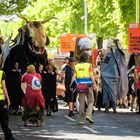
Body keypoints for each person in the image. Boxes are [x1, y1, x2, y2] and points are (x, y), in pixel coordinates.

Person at [72, 53, 96, 124]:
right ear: (86, 58)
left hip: (80, 86)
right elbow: (91, 75)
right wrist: (94, 84)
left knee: (81, 102)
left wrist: (72, 85)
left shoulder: (76, 66)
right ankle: (88, 115)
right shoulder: (89, 65)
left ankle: (81, 119)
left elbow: (74, 77)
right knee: (91, 101)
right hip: (88, 85)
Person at [0, 69, 15, 140]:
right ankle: (8, 136)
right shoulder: (1, 73)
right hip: (0, 100)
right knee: (4, 119)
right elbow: (4, 87)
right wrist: (8, 99)